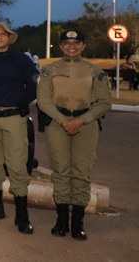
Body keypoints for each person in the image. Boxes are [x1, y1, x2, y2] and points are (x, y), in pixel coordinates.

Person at [37, 29, 111, 241]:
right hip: (57, 123)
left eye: (76, 42)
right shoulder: (48, 71)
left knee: (81, 171)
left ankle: (78, 223)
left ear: (83, 45)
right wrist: (64, 121)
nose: (71, 46)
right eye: (67, 42)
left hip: (86, 124)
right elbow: (43, 101)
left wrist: (81, 120)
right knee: (60, 171)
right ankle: (61, 221)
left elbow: (105, 103)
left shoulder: (94, 71)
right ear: (60, 46)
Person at [0, 23, 38, 233]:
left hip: (14, 117)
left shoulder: (21, 59)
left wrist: (23, 102)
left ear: (9, 37)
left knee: (18, 165)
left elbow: (34, 85)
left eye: (3, 34)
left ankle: (22, 215)